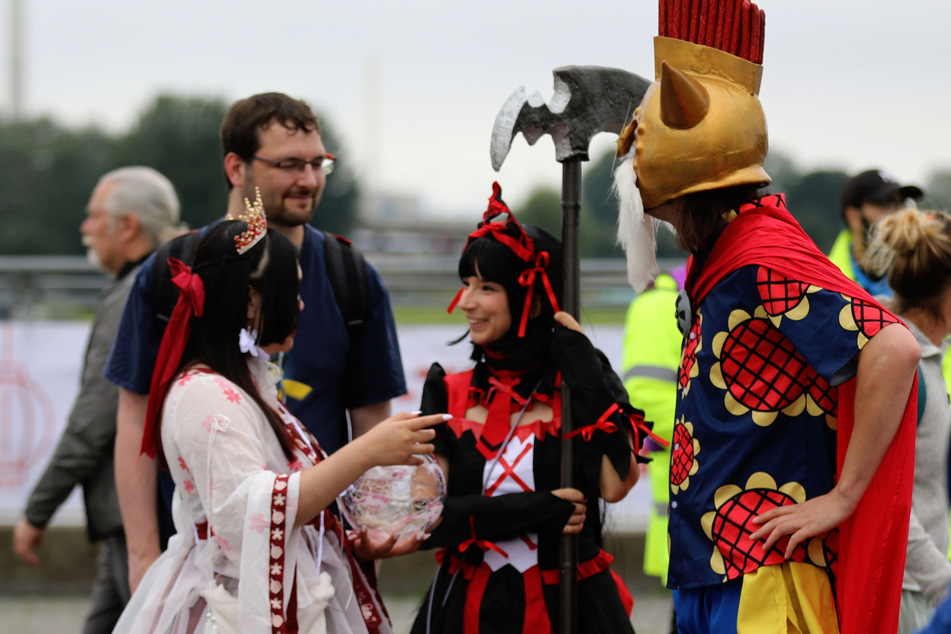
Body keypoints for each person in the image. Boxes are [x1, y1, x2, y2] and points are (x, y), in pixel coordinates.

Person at [611, 1, 921, 632]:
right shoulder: (728, 255)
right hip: (716, 567)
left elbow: (895, 348)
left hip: (762, 575)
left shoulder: (760, 256)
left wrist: (843, 497)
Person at [104, 92, 407, 592]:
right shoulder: (175, 273)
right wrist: (143, 556)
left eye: (318, 164)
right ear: (235, 167)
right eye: (289, 164)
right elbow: (135, 415)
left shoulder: (351, 277)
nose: (308, 181)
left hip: (316, 564)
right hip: (208, 565)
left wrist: (371, 532)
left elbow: (371, 420)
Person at [113, 209, 442, 634]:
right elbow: (249, 513)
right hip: (227, 608)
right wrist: (366, 452)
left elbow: (277, 505)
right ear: (250, 300)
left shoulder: (244, 380)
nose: (301, 305)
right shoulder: (202, 394)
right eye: (293, 291)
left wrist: (342, 538)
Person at [410, 183, 655, 633]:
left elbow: (616, 485)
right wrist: (540, 509)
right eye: (466, 285)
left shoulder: (579, 388)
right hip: (466, 612)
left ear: (533, 300)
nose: (466, 303)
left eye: (486, 287)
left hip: (572, 608)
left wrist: (585, 369)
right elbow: (424, 521)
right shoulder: (448, 392)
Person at [12, 166, 182, 634]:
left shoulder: (137, 291)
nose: (85, 228)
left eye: (93, 217)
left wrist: (37, 509)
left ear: (127, 225)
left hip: (138, 513)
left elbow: (95, 418)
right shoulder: (172, 277)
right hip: (143, 509)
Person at [861, 208, 951, 633]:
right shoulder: (906, 366)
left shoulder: (918, 354)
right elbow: (887, 494)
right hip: (906, 594)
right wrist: (943, 585)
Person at [620, 266, 682, 592]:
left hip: (655, 426)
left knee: (665, 504)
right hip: (682, 425)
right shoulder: (673, 304)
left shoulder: (645, 303)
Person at [828, 168, 924, 296]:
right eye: (885, 204)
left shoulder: (929, 273)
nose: (898, 213)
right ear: (853, 217)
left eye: (901, 203)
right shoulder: (826, 285)